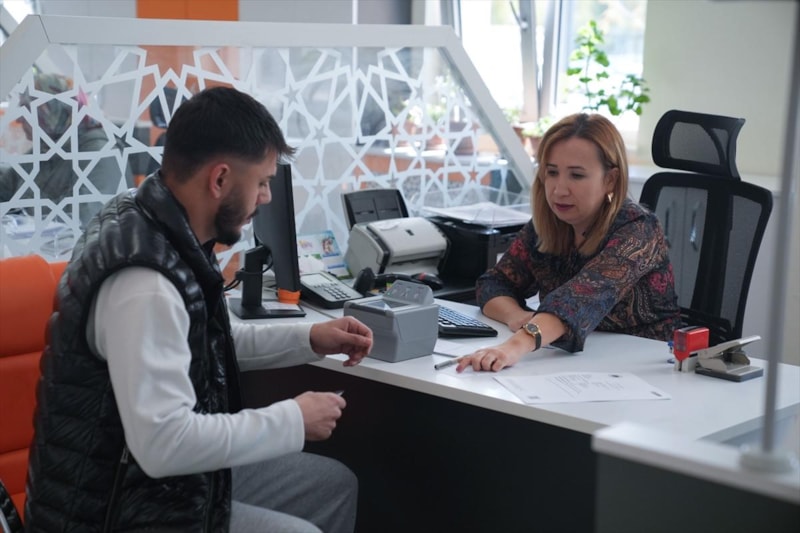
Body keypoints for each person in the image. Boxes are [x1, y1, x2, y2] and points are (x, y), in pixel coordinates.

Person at [24, 86, 374, 532]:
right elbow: (164, 443)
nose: (266, 197)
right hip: (113, 510)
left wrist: (310, 338)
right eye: (262, 182)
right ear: (220, 180)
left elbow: (204, 339)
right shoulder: (146, 284)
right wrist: (293, 418)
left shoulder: (156, 221)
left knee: (331, 484)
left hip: (149, 484)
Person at [456, 113, 680, 373]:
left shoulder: (639, 230)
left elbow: (577, 300)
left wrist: (514, 347)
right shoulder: (548, 225)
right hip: (572, 364)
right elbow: (494, 283)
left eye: (576, 175)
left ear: (610, 180)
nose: (559, 190)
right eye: (552, 172)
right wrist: (518, 317)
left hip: (646, 367)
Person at [0, 72, 131, 229]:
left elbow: (84, 219)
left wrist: (24, 208)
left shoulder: (100, 153)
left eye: (27, 110)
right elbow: (7, 187)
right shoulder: (47, 148)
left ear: (53, 111)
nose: (19, 119)